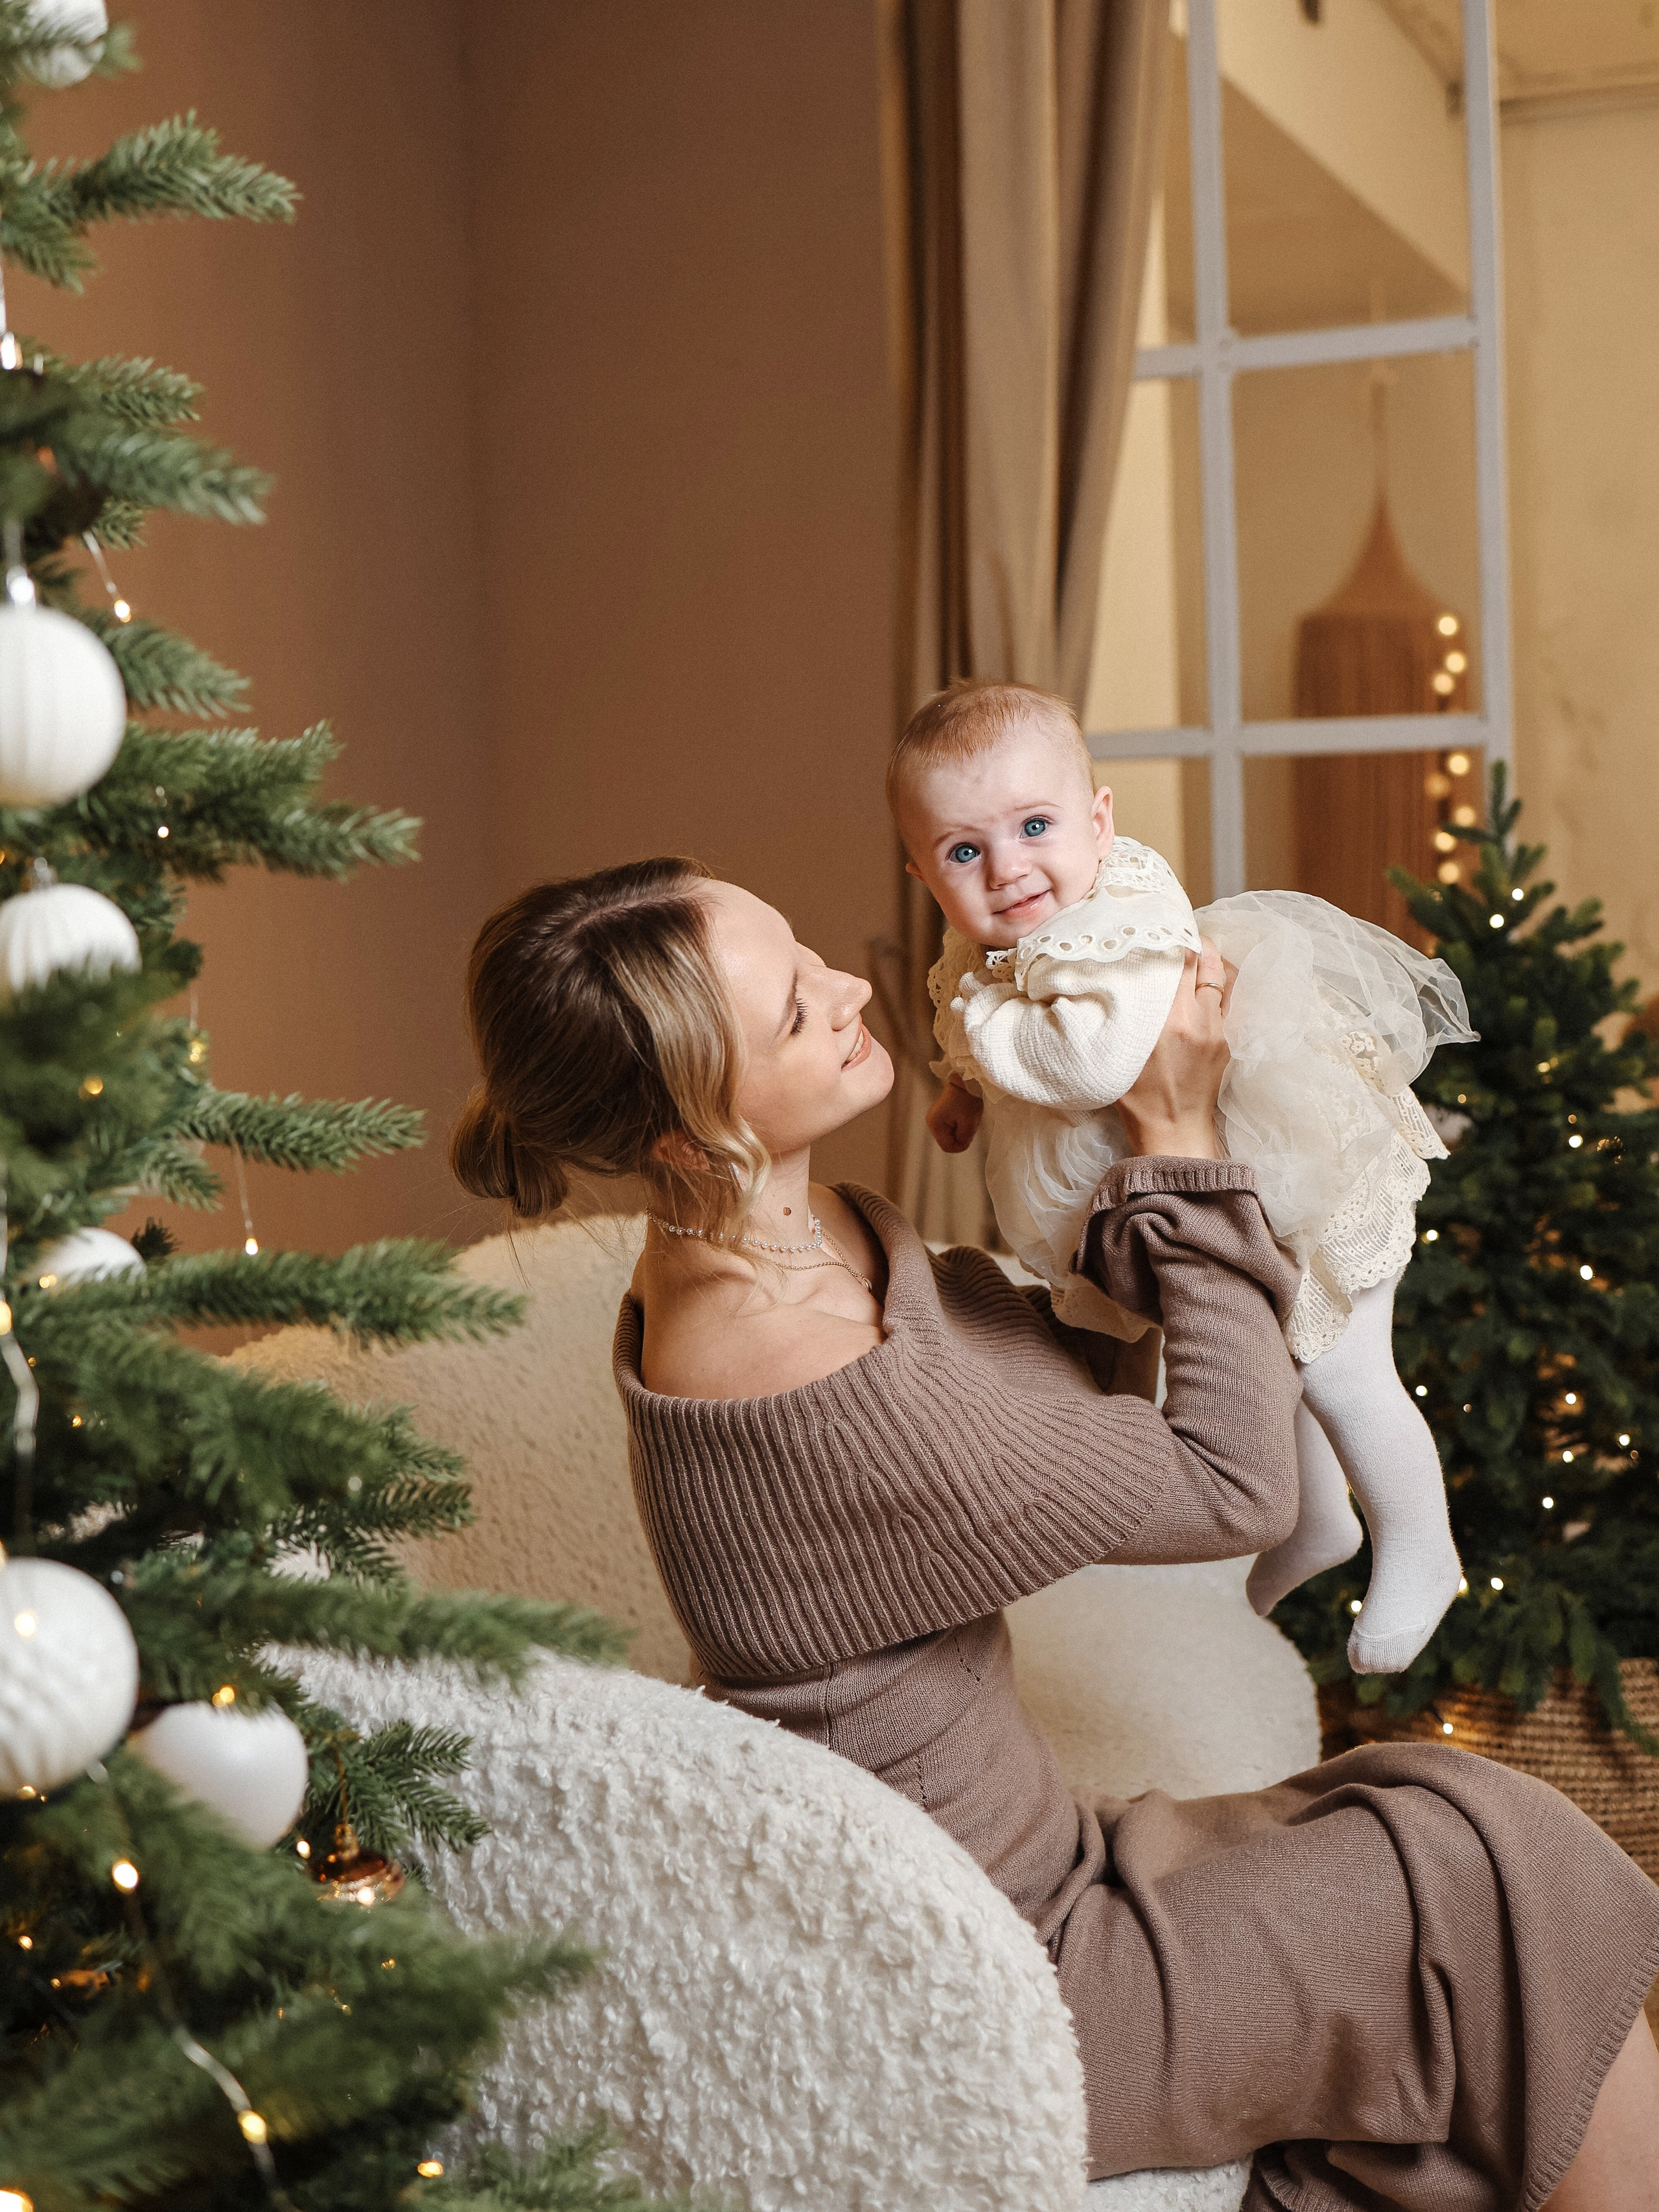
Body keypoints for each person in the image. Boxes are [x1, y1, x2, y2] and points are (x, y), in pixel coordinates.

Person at [451, 854, 1659, 2210]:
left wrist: (1096, 1144)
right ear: (687, 1136)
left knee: (1448, 1813)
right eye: (794, 1010)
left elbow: (1072, 1374)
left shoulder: (801, 1234)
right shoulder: (789, 1367)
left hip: (1028, 1861)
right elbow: (1232, 1484)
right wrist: (1179, 1138)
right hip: (979, 1976)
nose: (849, 989)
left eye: (805, 953)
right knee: (1479, 1881)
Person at [892, 676, 1472, 1677]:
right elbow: (969, 1000)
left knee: (1343, 1367)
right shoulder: (996, 939)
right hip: (1210, 1185)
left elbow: (1092, 1066)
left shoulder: (1118, 930)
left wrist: (985, 1034)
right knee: (1281, 1345)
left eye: (1036, 826)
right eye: (963, 852)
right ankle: (1318, 1519)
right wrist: (962, 1090)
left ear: (1098, 821)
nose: (1009, 867)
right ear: (921, 869)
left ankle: (1423, 1543)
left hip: (1294, 1166)